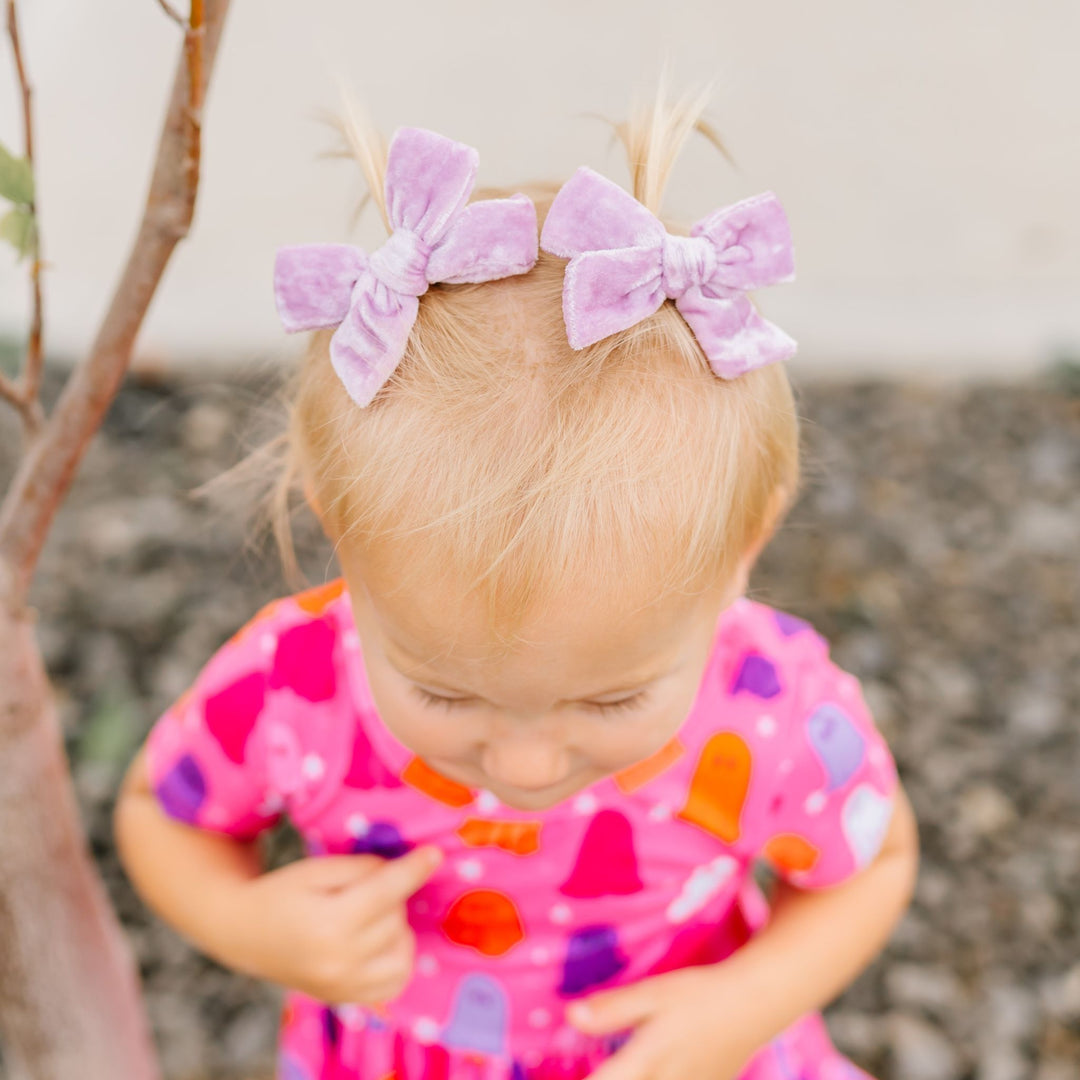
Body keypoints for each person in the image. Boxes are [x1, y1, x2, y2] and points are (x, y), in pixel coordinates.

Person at [115, 88, 919, 1080]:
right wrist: (243, 923)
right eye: (445, 692)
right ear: (334, 519)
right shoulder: (298, 680)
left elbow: (871, 861)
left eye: (615, 696)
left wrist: (746, 1005)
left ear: (747, 544)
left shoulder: (765, 707)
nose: (529, 766)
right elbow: (162, 810)